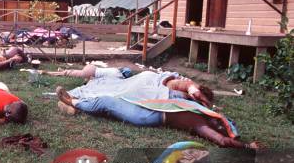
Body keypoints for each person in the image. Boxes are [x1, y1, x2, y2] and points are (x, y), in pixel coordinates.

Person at [56, 86, 260, 149]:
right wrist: (199, 97)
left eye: (218, 122)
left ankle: (72, 102)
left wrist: (247, 147)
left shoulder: (199, 122)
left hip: (148, 116)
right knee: (113, 99)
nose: (216, 120)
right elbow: (188, 91)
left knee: (107, 102)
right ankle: (78, 103)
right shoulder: (192, 106)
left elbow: (223, 141)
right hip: (151, 109)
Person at [46, 65, 213, 108]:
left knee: (110, 95)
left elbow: (181, 84)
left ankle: (71, 103)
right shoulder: (99, 80)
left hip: (140, 86)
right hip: (139, 85)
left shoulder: (105, 77)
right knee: (108, 94)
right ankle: (72, 103)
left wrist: (192, 88)